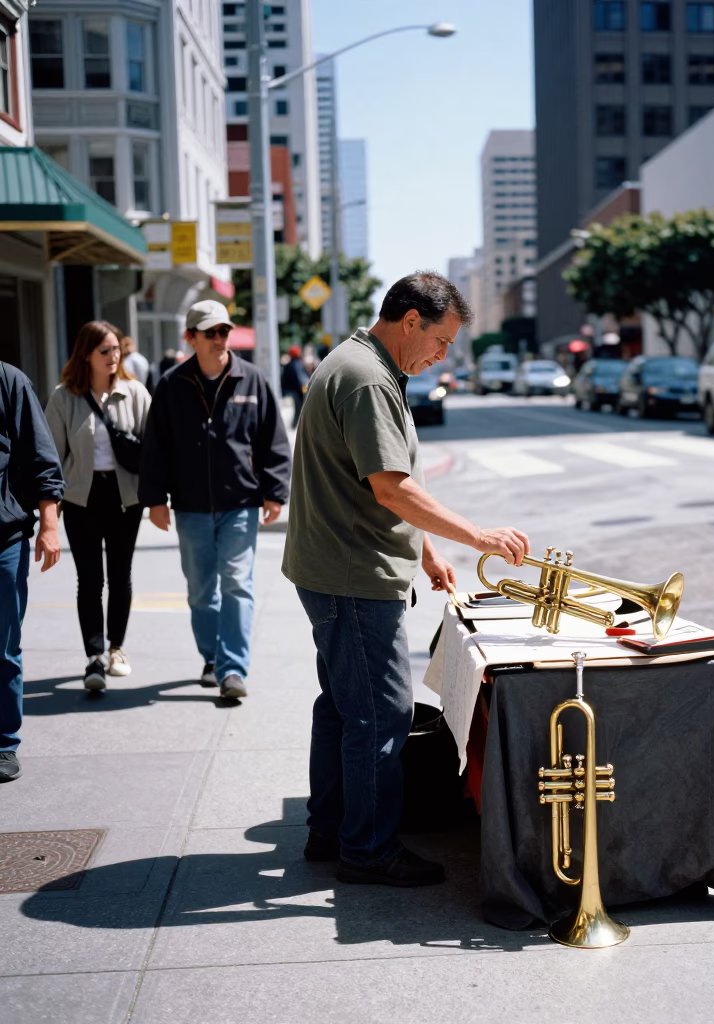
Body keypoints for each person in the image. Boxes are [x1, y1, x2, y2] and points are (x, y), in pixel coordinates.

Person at [282, 272, 530, 887]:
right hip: (352, 576)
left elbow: (366, 483)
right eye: (441, 341)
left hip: (334, 566)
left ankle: (330, 828)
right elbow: (391, 487)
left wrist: (423, 552)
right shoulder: (368, 379)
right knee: (379, 715)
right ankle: (366, 849)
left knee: (341, 707)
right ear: (411, 320)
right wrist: (477, 537)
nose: (443, 356)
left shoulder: (355, 362)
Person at [139, 300, 291, 699]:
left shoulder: (252, 379)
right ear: (190, 337)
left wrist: (275, 491)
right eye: (211, 332)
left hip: (240, 503)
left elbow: (273, 439)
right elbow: (156, 446)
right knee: (201, 591)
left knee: (238, 584)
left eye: (224, 331)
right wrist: (155, 499)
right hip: (190, 507)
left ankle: (233, 669)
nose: (220, 339)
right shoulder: (171, 384)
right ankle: (211, 657)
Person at [46, 322, 151, 689]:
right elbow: (53, 457)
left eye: (117, 349)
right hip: (81, 499)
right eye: (104, 351)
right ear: (86, 354)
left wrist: (156, 499)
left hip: (125, 497)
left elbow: (152, 451)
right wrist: (50, 510)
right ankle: (94, 657)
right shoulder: (64, 398)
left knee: (120, 576)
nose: (113, 357)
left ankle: (117, 648)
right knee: (90, 579)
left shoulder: (135, 393)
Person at [0, 363, 64, 781]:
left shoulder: (10, 381)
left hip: (3, 537)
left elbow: (41, 459)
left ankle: (4, 743)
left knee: (3, 646)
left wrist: (50, 525)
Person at [280, 344, 309, 427]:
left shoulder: (289, 364)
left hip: (292, 390)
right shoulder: (297, 364)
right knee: (298, 408)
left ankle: (295, 424)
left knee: (298, 408)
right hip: (297, 390)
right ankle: (295, 425)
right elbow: (300, 377)